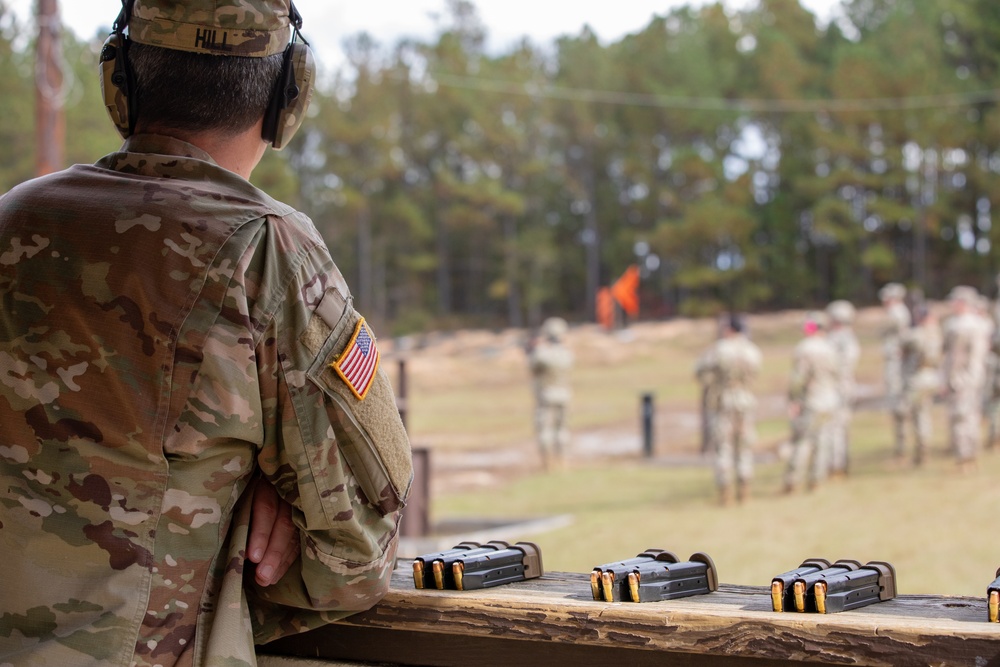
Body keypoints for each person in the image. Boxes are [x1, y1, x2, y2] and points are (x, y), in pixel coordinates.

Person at [0, 2, 412, 665]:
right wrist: (236, 522)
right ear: (290, 94)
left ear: (117, 83)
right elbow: (355, 556)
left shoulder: (12, 219)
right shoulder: (267, 250)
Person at [697, 314, 762, 505]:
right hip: (746, 401)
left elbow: (700, 371)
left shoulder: (719, 349)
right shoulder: (753, 351)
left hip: (723, 402)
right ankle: (745, 489)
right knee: (744, 447)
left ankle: (725, 492)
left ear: (728, 329)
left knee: (723, 447)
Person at [784, 312, 840, 493]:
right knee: (822, 440)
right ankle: (816, 480)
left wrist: (794, 400)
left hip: (812, 399)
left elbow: (798, 378)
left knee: (802, 441)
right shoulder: (830, 347)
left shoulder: (805, 348)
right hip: (829, 400)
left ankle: (792, 481)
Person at [941, 286, 989, 473]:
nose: (952, 304)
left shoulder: (967, 325)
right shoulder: (964, 323)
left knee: (963, 417)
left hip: (964, 379)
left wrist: (961, 379)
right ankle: (966, 456)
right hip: (964, 377)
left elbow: (967, 356)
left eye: (955, 301)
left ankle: (966, 458)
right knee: (964, 416)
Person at [897, 306, 943, 466]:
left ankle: (921, 454)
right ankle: (923, 451)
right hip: (931, 377)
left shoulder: (916, 335)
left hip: (918, 379)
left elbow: (902, 346)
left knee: (918, 416)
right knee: (924, 414)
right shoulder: (936, 333)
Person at [529, 317, 574, 469]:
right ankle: (563, 460)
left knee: (545, 430)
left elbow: (533, 368)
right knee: (562, 430)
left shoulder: (542, 354)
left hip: (546, 395)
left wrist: (536, 348)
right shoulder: (566, 353)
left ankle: (548, 463)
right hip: (564, 395)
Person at [825, 300, 860, 477]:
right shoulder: (848, 337)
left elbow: (836, 365)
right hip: (845, 386)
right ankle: (841, 462)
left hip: (837, 387)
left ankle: (836, 465)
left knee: (835, 427)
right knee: (841, 426)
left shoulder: (839, 338)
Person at [879, 283, 911, 429]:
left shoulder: (896, 312)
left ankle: (900, 416)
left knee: (895, 390)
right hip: (895, 355)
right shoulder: (900, 311)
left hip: (895, 357)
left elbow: (883, 331)